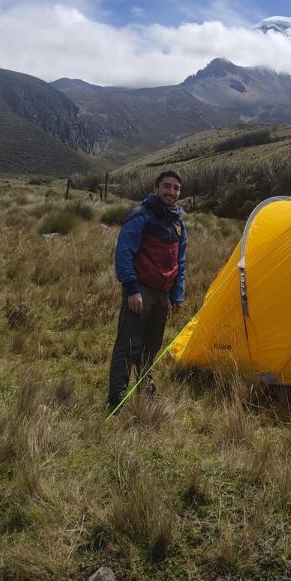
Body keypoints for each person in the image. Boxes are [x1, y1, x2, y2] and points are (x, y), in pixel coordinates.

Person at [108, 170, 187, 412]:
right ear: (155, 188)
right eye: (166, 186)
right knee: (128, 344)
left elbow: (180, 261)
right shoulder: (141, 215)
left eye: (175, 188)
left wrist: (177, 295)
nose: (171, 191)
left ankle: (144, 388)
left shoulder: (177, 223)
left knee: (151, 345)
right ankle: (117, 400)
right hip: (140, 291)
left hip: (162, 295)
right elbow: (124, 252)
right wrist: (131, 289)